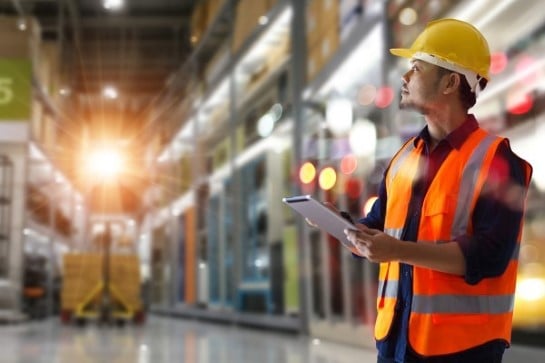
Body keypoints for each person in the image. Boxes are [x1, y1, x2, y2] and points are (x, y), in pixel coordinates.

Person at [342, 19, 533, 362]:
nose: (404, 78)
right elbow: (377, 225)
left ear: (450, 82)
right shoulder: (403, 160)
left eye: (415, 68)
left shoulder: (497, 161)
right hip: (395, 343)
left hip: (462, 350)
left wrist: (396, 249)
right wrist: (344, 228)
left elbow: (489, 256)